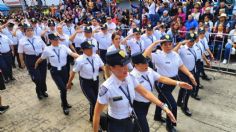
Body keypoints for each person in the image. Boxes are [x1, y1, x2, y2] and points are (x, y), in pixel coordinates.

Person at [93, 50, 176, 132]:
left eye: (126, 64)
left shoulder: (130, 77)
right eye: (122, 66)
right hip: (116, 124)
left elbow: (145, 93)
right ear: (112, 68)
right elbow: (96, 115)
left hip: (129, 120)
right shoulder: (106, 88)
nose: (126, 68)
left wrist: (164, 107)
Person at [143, 35, 197, 132]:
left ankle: (157, 116)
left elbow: (181, 66)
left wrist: (190, 75)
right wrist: (155, 43)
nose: (168, 46)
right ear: (161, 45)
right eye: (165, 44)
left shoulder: (175, 54)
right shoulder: (158, 55)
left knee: (162, 99)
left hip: (172, 82)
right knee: (173, 105)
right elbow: (145, 54)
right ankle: (170, 125)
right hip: (162, 84)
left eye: (170, 44)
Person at [130, 52, 192, 132]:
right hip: (137, 106)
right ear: (136, 64)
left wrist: (178, 83)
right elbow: (145, 93)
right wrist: (164, 107)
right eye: (143, 63)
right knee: (145, 129)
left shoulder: (149, 70)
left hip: (147, 103)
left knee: (137, 124)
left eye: (147, 61)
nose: (146, 64)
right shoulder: (132, 76)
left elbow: (161, 78)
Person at [35, 33, 79, 115]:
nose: (57, 41)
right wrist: (36, 64)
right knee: (63, 88)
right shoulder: (47, 49)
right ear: (51, 40)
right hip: (55, 71)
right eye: (55, 39)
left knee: (65, 87)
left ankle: (64, 102)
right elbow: (41, 58)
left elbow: (72, 53)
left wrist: (80, 57)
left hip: (64, 70)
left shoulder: (63, 47)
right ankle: (64, 106)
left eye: (57, 39)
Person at [67, 41, 105, 121]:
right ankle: (97, 120)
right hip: (86, 83)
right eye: (89, 48)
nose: (91, 50)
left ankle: (92, 118)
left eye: (91, 48)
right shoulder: (80, 60)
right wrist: (69, 83)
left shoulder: (96, 56)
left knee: (94, 101)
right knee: (94, 102)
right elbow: (73, 72)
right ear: (83, 50)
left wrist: (108, 76)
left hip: (95, 81)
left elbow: (103, 66)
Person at [18, 23, 48, 100]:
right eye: (28, 30)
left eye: (31, 30)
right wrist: (22, 62)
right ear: (25, 32)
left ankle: (43, 91)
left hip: (41, 58)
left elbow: (45, 47)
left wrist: (46, 56)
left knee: (43, 76)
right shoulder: (22, 41)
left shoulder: (38, 38)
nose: (30, 32)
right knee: (37, 78)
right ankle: (38, 92)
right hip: (30, 59)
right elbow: (20, 53)